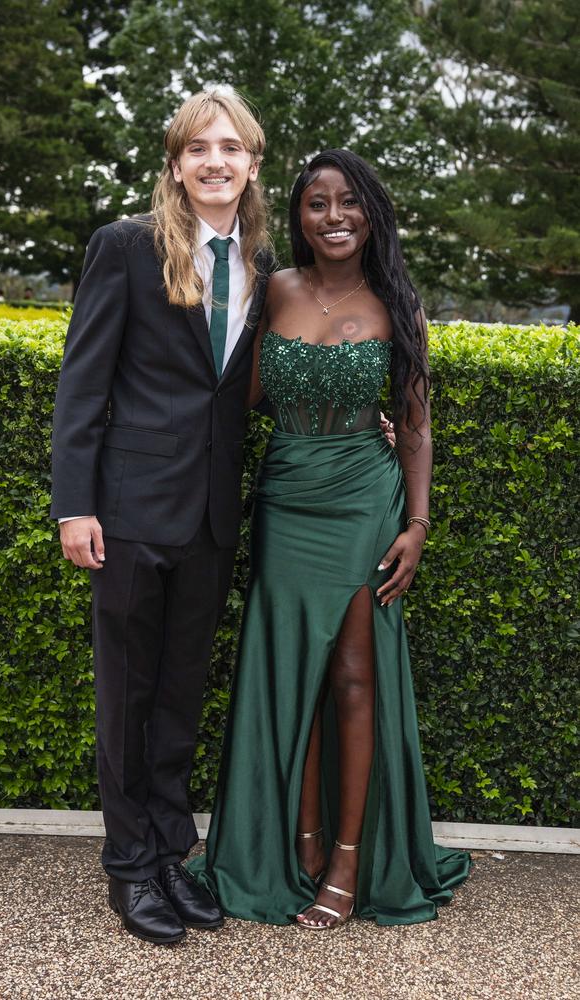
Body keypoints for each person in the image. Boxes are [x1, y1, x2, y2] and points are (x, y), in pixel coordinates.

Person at [189, 150, 471, 928]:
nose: (335, 216)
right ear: (299, 216)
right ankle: (299, 843)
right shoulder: (273, 290)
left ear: (372, 213)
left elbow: (414, 425)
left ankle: (349, 859)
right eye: (318, 203)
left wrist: (417, 523)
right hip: (286, 500)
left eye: (350, 202)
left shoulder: (398, 303)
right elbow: (234, 398)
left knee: (353, 675)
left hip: (363, 503)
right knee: (293, 676)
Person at [50, 88, 274, 945]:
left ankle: (171, 856)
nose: (215, 161)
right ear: (176, 165)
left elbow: (247, 384)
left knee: (181, 698)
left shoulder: (260, 259)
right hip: (130, 514)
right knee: (127, 700)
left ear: (253, 163)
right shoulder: (126, 249)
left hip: (214, 518)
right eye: (197, 149)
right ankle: (128, 869)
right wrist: (76, 504)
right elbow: (83, 386)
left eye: (231, 147)